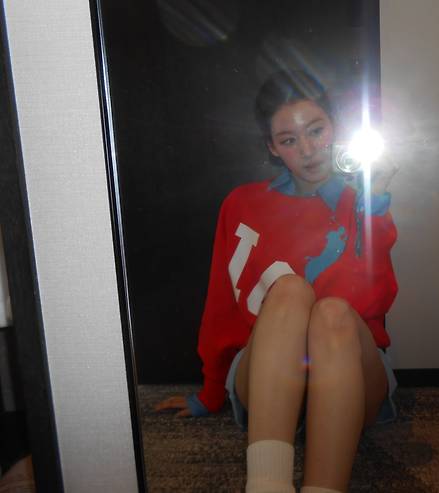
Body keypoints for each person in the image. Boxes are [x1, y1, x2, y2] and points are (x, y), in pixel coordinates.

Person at [156, 70, 399, 493]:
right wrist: (211, 391)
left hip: (348, 368)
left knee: (333, 313)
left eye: (316, 131)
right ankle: (267, 485)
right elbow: (221, 303)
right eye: (289, 140)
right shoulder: (243, 203)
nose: (307, 150)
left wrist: (371, 210)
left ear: (336, 128)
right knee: (287, 290)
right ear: (272, 147)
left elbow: (373, 302)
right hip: (267, 373)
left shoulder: (364, 202)